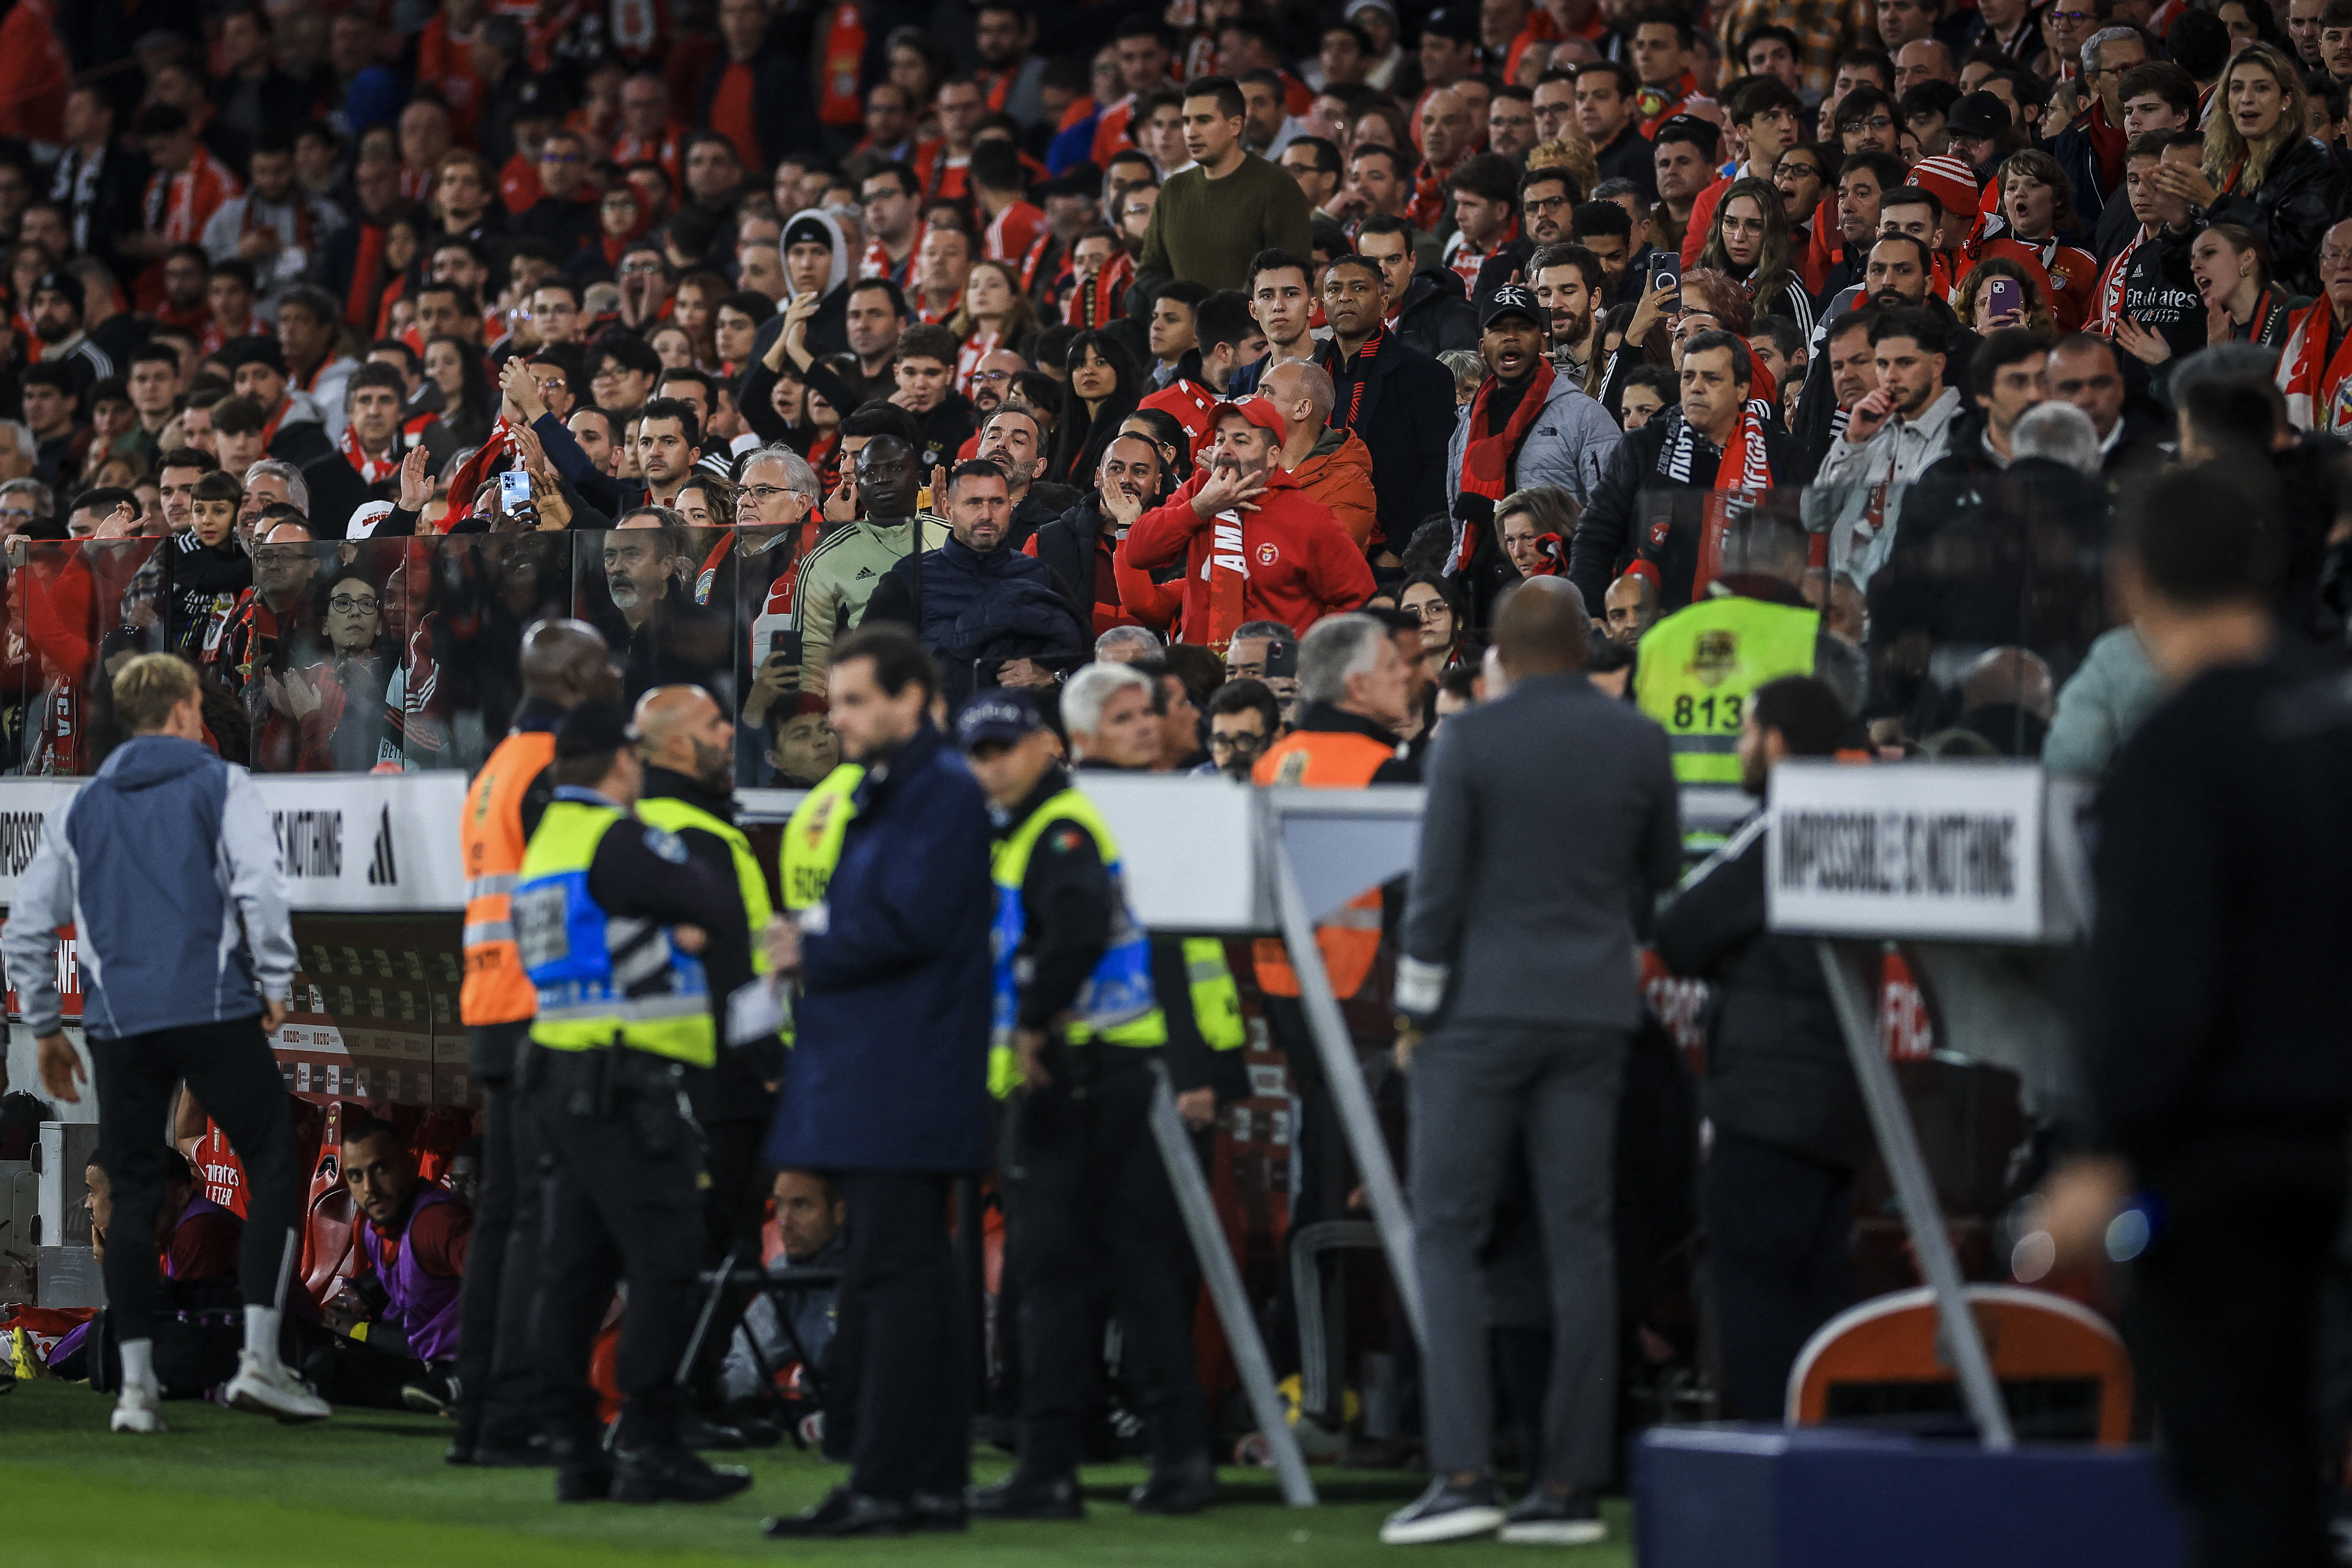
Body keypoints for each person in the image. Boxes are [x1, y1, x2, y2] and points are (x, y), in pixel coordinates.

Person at [2038, 463, 2352, 1567]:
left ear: (2131, 584)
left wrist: (2105, 1151)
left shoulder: (2173, 752)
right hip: (2330, 1135)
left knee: (2238, 1473)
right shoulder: (2332, 705)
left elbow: (2151, 975)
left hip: (2224, 1159)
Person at [1385, 577, 1679, 1546]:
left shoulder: (1470, 738)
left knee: (1447, 1233)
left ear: (1502, 655)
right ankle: (1567, 1485)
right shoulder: (1639, 739)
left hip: (1477, 1012)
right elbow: (1658, 881)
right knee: (1579, 1241)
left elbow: (1434, 889)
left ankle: (1463, 1470)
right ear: (1583, 645)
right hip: (1594, 1008)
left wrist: (1416, 1009)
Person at [4, 652, 324, 1433]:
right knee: (274, 1163)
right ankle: (258, 1358)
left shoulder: (85, 804)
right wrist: (276, 976)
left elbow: (31, 918)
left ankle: (137, 1388)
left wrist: (45, 1022)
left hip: (118, 1021)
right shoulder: (221, 784)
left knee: (135, 1189)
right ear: (187, 708)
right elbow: (258, 884)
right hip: (211, 1004)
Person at [956, 685, 1220, 1520]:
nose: (994, 765)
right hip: (1104, 1070)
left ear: (1045, 745)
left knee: (1065, 1276)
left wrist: (1032, 1024)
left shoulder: (1057, 827)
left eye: (1005, 748)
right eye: (982, 753)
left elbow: (1070, 931)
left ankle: (1062, 1464)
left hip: (1079, 1075)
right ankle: (1152, 1456)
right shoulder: (1041, 825)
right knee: (1112, 1271)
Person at [761, 628, 993, 1539]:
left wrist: (807, 947)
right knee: (911, 1278)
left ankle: (888, 1483)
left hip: (904, 1066)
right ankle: (927, 1482)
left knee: (898, 1279)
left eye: (856, 701)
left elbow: (914, 922)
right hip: (893, 1062)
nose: (838, 718)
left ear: (910, 698)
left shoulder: (934, 791)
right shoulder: (901, 789)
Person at [514, 699, 752, 1504]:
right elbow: (716, 903)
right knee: (667, 1259)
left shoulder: (549, 840)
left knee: (575, 1270)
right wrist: (687, 926)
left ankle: (577, 1448)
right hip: (626, 1078)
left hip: (561, 1074)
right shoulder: (618, 835)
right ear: (623, 763)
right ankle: (651, 1442)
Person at [1654, 675, 1867, 1422]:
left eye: (1746, 734)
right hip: (1842, 1094)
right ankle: (1832, 1460)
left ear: (1775, 739)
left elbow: (1683, 930)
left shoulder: (1783, 824)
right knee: (1820, 1289)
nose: (1741, 749)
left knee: (1753, 1288)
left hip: (1769, 1099)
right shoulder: (1854, 821)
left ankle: (1776, 1456)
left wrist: (1731, 957)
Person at [632, 683, 786, 1446]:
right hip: (715, 1068)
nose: (729, 733)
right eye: (711, 724)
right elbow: (730, 964)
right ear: (665, 744)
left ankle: (687, 1391)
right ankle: (679, 1397)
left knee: (714, 1243)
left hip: (683, 1058)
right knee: (717, 1244)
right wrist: (770, 1060)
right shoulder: (691, 832)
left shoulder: (671, 824)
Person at [1632, 513, 1850, 854]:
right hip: (1768, 853)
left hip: (1669, 853)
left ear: (1723, 560)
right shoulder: (1818, 642)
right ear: (1797, 564)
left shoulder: (1656, 641)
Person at [1120, 398, 1374, 652]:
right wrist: (1199, 509)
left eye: (1240, 441)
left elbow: (1360, 597)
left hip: (1272, 680)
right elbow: (1137, 552)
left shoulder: (1309, 517)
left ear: (1272, 456)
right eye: (1220, 439)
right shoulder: (1199, 491)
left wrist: (1307, 655)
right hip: (1202, 676)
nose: (1224, 450)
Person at [860, 459, 1090, 705]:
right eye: (974, 503)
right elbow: (866, 667)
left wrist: (1053, 677)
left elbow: (1088, 662)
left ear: (1011, 508)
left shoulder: (1040, 576)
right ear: (948, 510)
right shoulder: (908, 579)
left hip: (1024, 731)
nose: (987, 515)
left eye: (997, 502)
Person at [341, 1114, 471, 1408]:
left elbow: (509, 1288)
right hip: (418, 1365)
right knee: (322, 1367)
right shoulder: (374, 1231)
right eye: (356, 1176)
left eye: (381, 1169)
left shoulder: (436, 1223)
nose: (369, 1188)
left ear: (411, 1166)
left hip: (461, 1372)